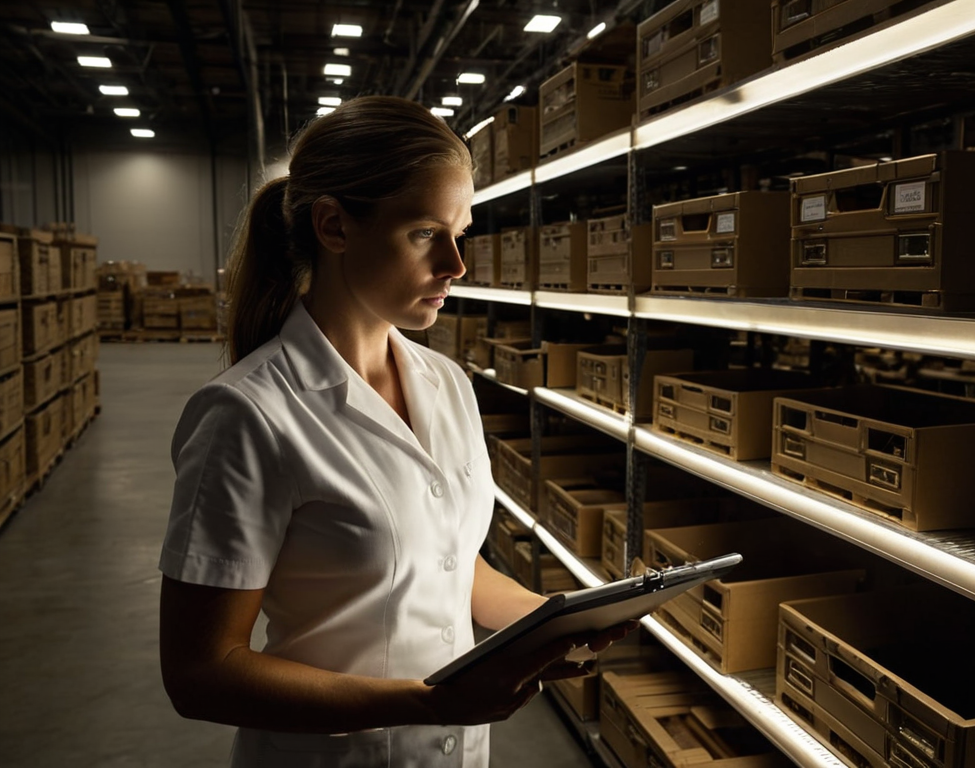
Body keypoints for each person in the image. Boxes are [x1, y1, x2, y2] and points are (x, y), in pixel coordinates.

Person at [158, 95, 632, 768]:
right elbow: (201, 673)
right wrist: (425, 705)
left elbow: (447, 568)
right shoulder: (247, 415)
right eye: (423, 233)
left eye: (460, 233)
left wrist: (553, 621)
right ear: (335, 226)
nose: (456, 265)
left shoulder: (447, 385)